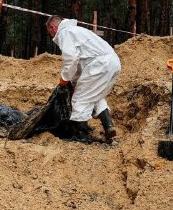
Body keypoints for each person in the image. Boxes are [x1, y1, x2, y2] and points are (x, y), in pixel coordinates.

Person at [46, 15, 121, 143]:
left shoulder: (65, 32)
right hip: (113, 63)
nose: (51, 35)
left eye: (50, 32)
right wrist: (74, 82)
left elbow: (71, 59)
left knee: (80, 98)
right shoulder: (78, 31)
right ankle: (108, 126)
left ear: (53, 27)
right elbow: (81, 62)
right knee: (95, 96)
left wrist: (64, 79)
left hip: (100, 65)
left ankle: (81, 134)